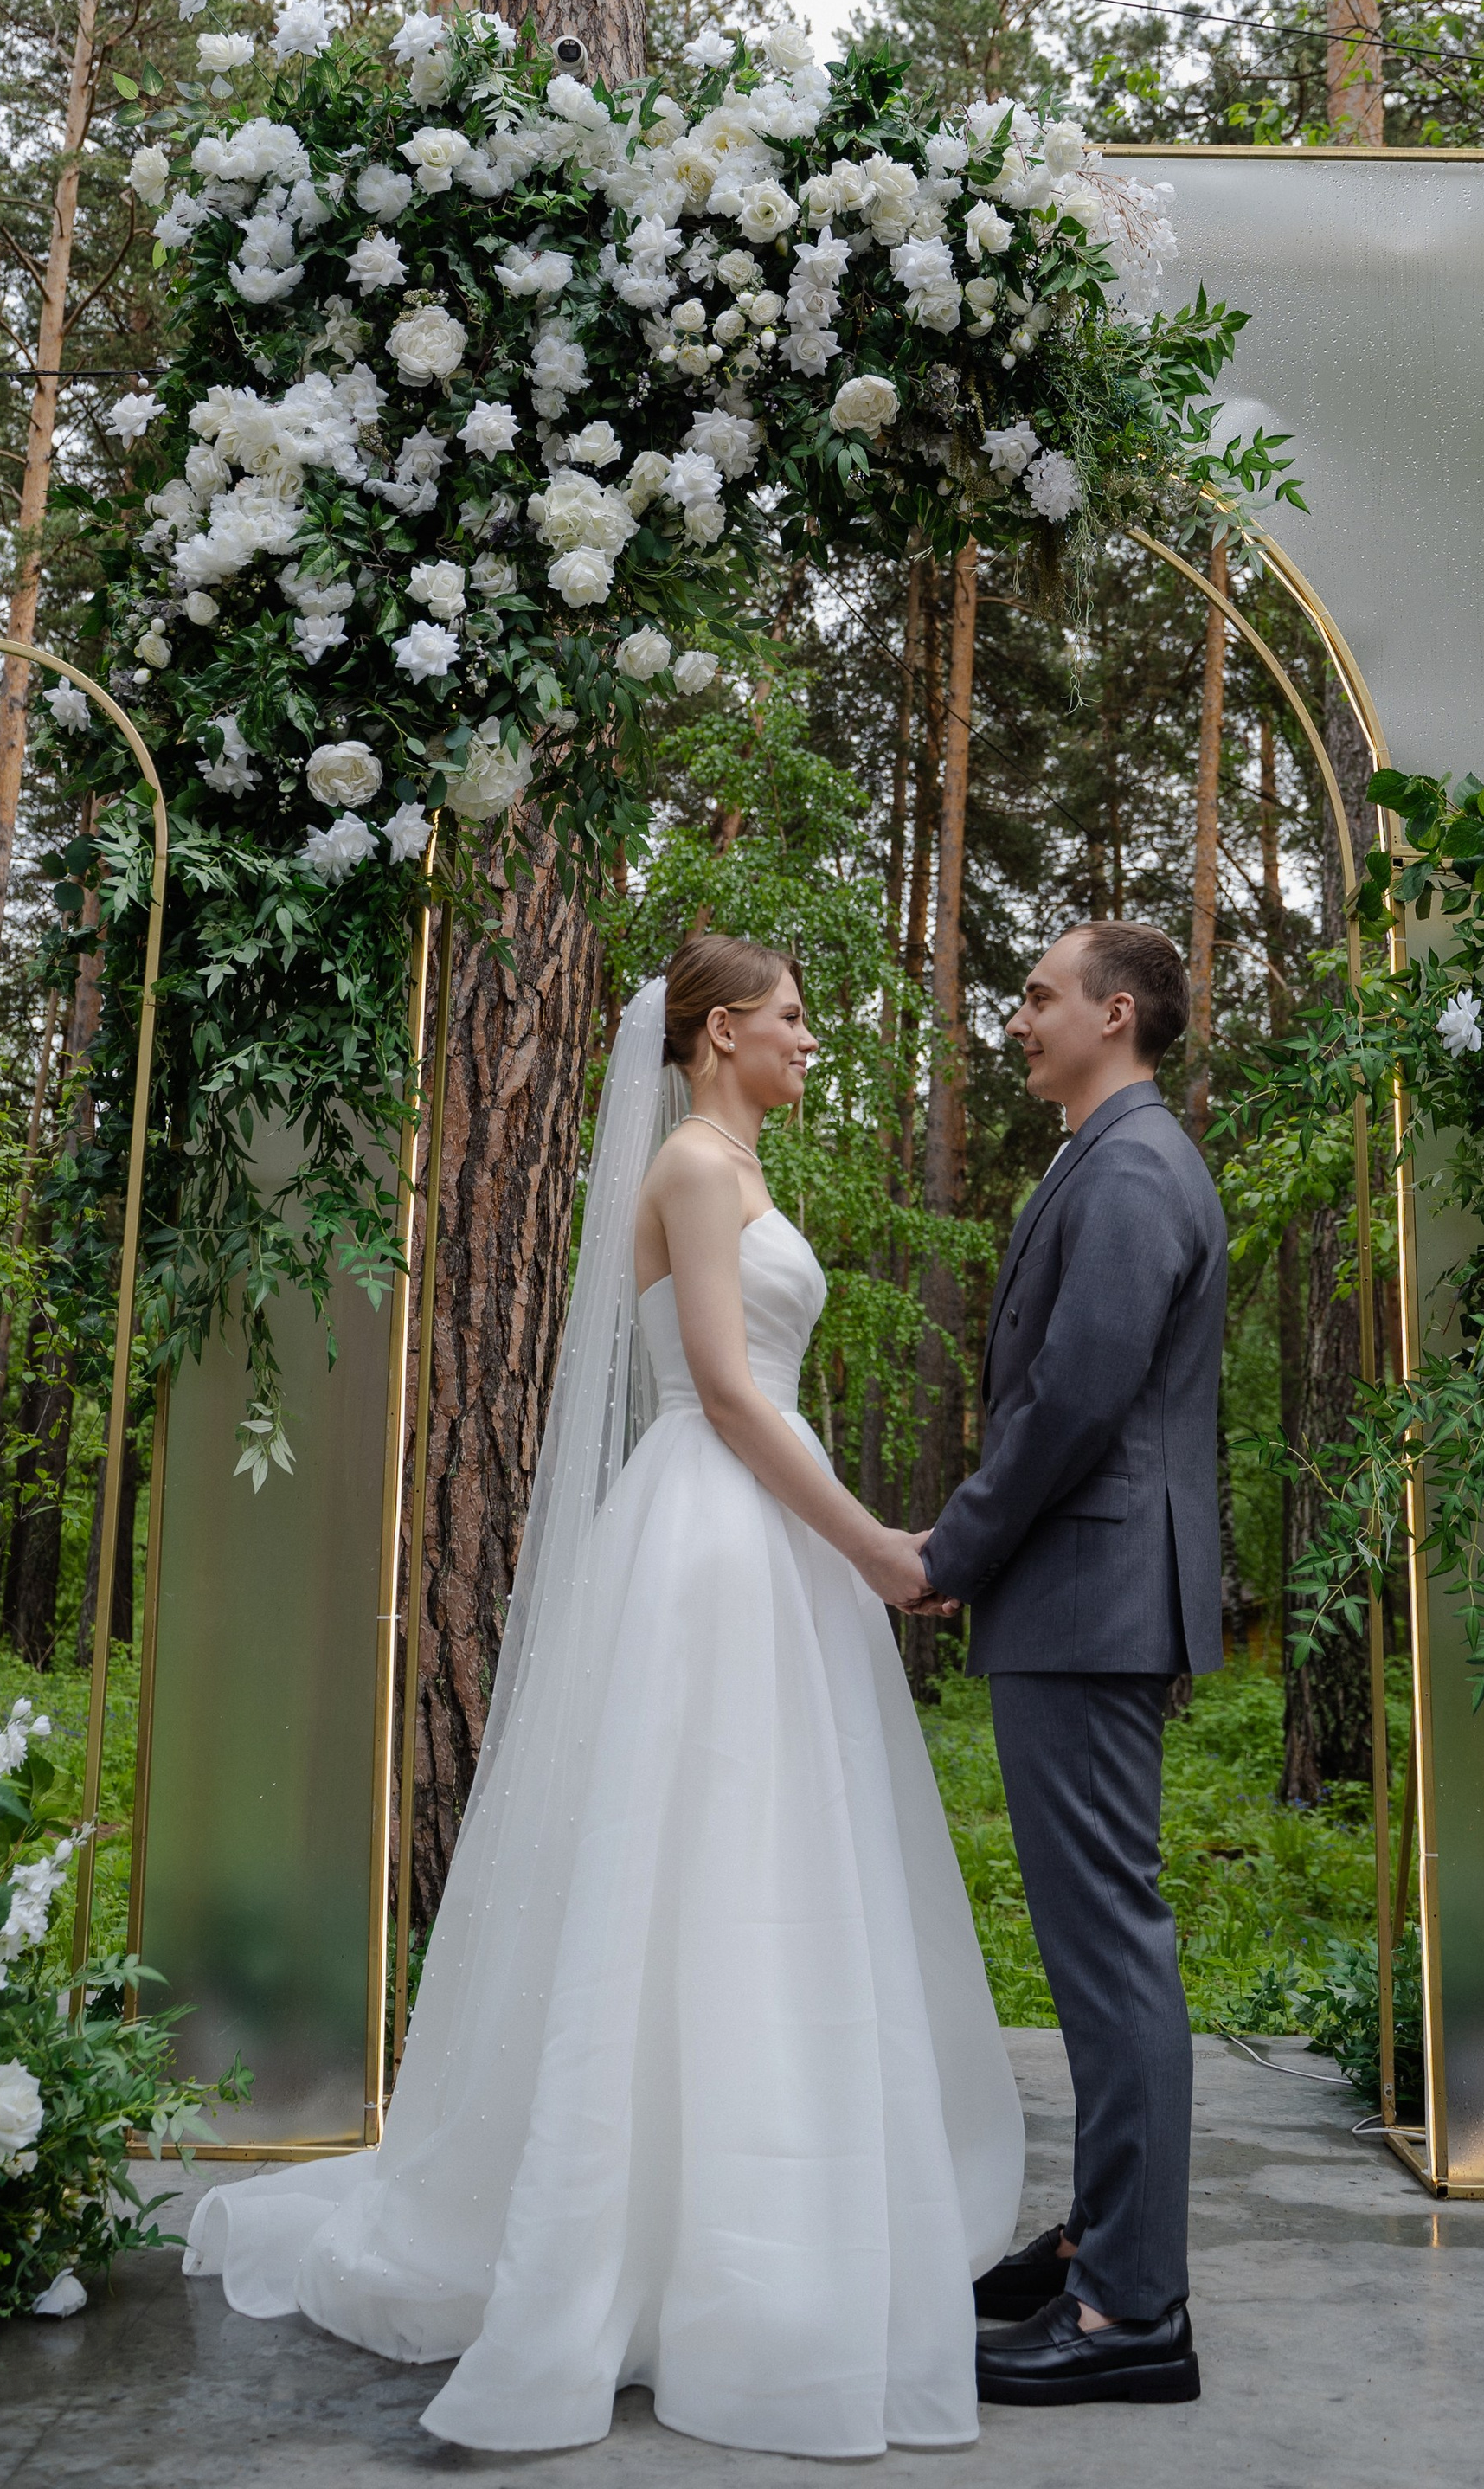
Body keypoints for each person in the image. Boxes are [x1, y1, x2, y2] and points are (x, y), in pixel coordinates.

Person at [185, 934, 1023, 2457]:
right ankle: (659, 2245)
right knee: (693, 1859)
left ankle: (753, 2207)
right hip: (716, 1531)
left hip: (763, 1531)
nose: (811, 1045)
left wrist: (847, 1546)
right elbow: (719, 1386)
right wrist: (879, 1551)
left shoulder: (737, 1166)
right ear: (717, 1035)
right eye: (792, 1021)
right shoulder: (699, 1171)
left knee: (765, 1865)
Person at [919, 920, 1226, 2410]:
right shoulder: (1102, 1156)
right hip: (1087, 1596)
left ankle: (1129, 2314)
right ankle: (1106, 2239)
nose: (1018, 1017)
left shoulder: (1133, 1167)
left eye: (1038, 997)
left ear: (1117, 1013)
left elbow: (1074, 1397)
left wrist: (953, 1548)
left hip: (1090, 1595)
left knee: (1110, 1953)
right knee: (1103, 1948)